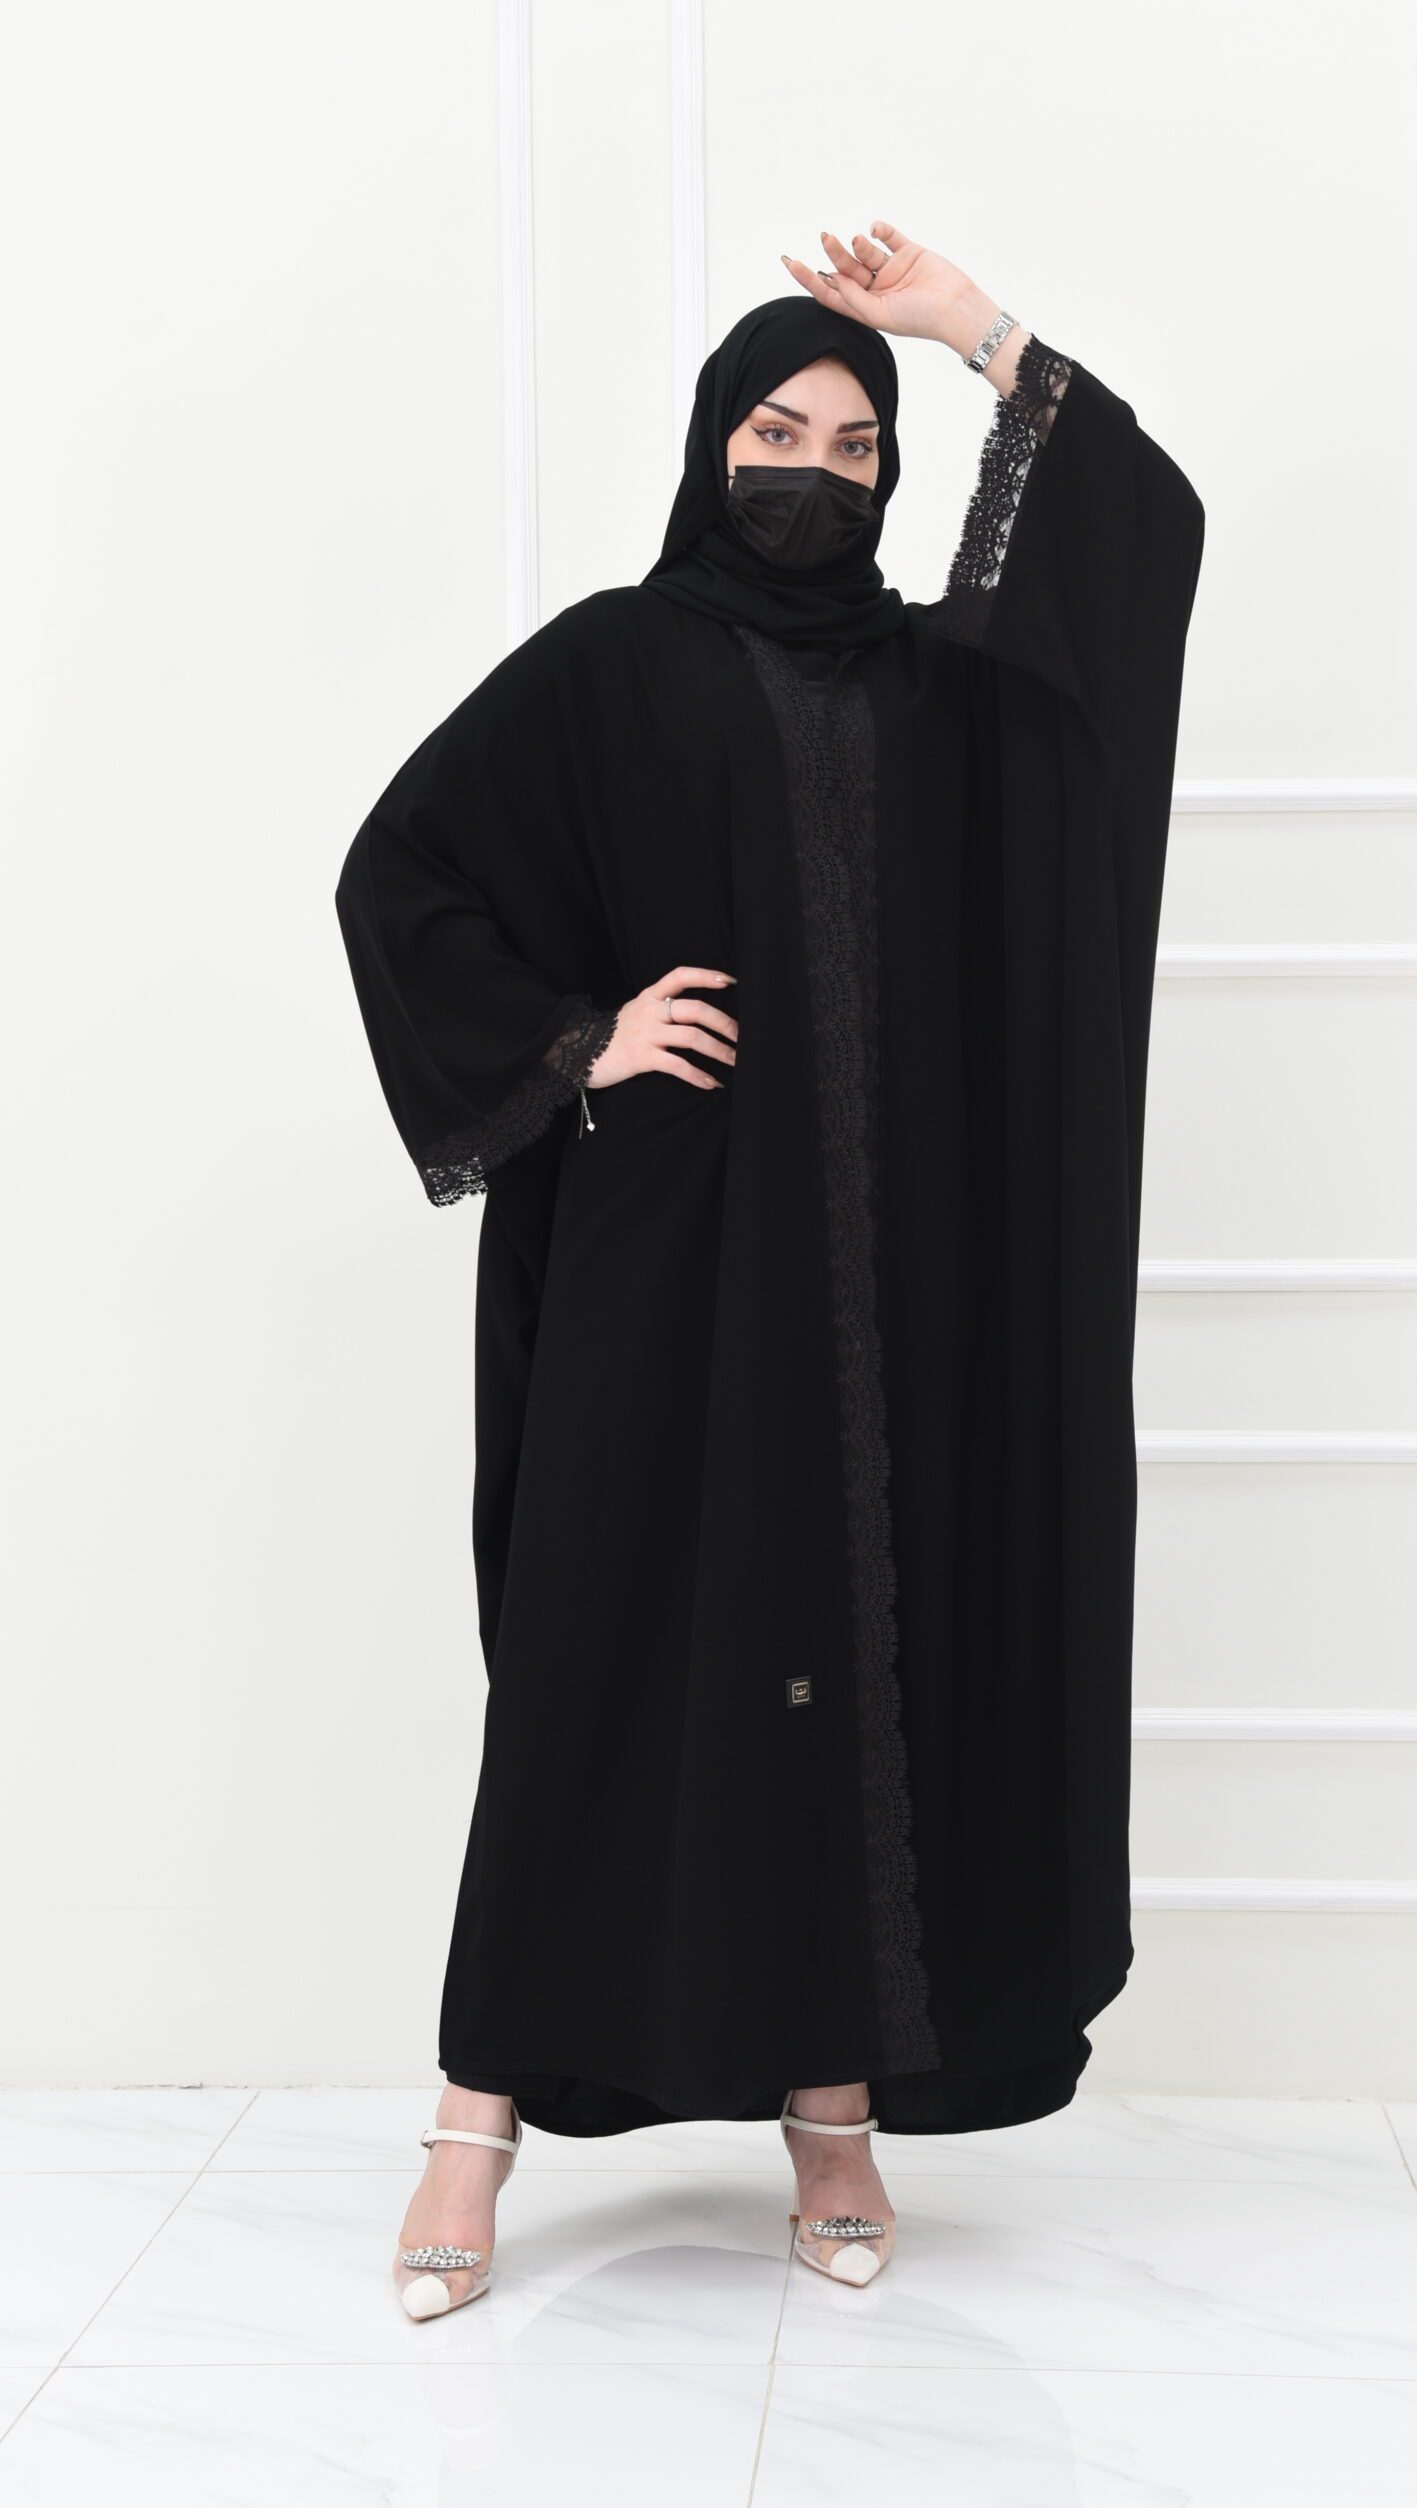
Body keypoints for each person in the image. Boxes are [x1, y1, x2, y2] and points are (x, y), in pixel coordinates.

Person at [334, 221, 1206, 2317]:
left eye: (851, 441)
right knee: (603, 1661)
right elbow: (403, 867)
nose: (812, 468)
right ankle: (472, 2123)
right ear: (711, 443)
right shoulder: (608, 663)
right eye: (775, 429)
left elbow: (1135, 539)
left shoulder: (939, 689)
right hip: (673, 1259)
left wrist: (970, 331)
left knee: (861, 1659)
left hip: (893, 1273)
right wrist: (578, 1039)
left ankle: (834, 2107)